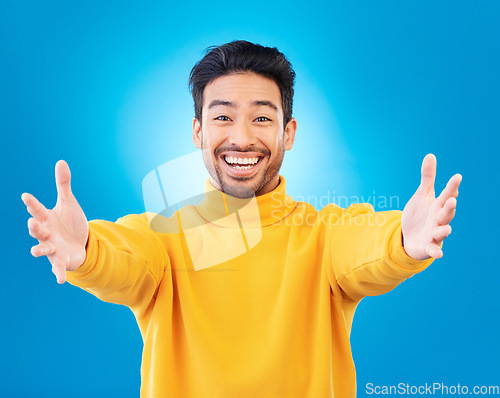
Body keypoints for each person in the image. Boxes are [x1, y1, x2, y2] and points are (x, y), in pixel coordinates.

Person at [21, 40, 462, 398]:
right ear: (198, 131)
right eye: (223, 117)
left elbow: (369, 248)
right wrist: (84, 252)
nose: (242, 138)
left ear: (288, 132)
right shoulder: (162, 236)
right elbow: (122, 259)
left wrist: (404, 241)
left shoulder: (326, 236)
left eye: (262, 118)